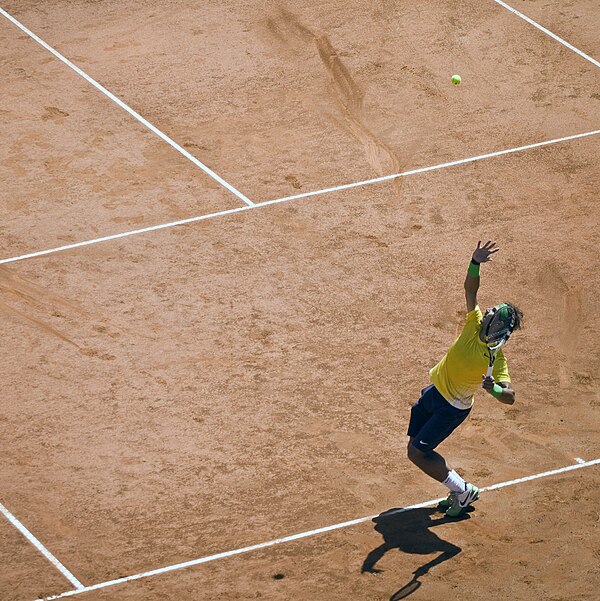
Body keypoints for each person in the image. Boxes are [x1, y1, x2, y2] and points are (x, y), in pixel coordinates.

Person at [406, 241, 523, 517]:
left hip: (451, 408)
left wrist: (492, 388)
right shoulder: (474, 322)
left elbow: (510, 396)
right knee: (413, 445)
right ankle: (459, 489)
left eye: (495, 312)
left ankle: (462, 490)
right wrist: (475, 261)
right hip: (435, 392)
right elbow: (471, 289)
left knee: (417, 453)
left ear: (496, 326)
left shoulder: (497, 359)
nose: (490, 310)